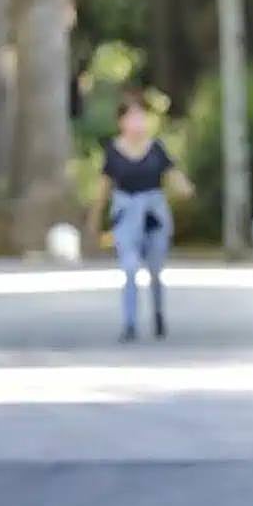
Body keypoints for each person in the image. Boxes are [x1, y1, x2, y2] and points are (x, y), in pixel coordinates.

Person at [87, 92, 195, 342]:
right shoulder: (113, 152)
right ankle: (130, 322)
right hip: (126, 212)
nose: (138, 122)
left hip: (154, 213)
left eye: (141, 116)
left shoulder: (156, 149)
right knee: (129, 267)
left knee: (156, 269)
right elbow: (104, 187)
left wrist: (186, 190)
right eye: (132, 117)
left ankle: (158, 314)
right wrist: (95, 218)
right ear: (121, 121)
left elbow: (173, 175)